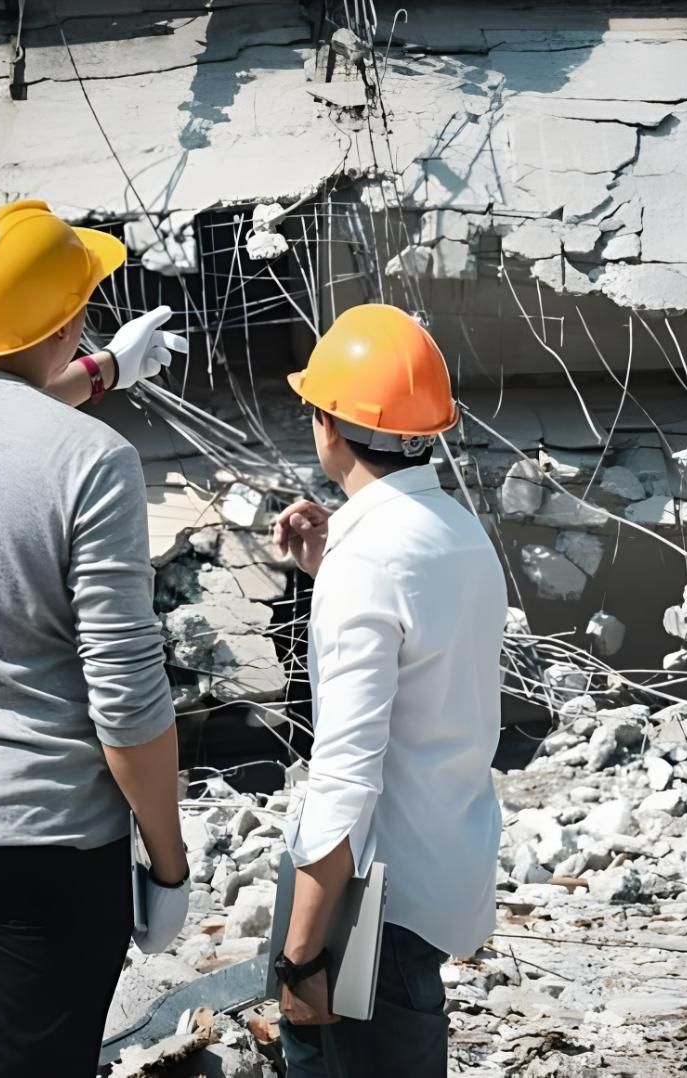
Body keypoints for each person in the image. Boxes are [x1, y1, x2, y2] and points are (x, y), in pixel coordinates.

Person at [0, 200, 191, 1078]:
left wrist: (100, 372)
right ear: (68, 320)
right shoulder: (93, 462)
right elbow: (126, 697)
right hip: (50, 846)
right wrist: (169, 862)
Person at [272, 304, 507, 1078]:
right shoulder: (458, 532)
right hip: (442, 875)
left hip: (371, 900)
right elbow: (426, 658)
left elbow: (345, 774)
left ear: (327, 425)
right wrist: (328, 570)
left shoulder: (367, 562)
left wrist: (300, 956)